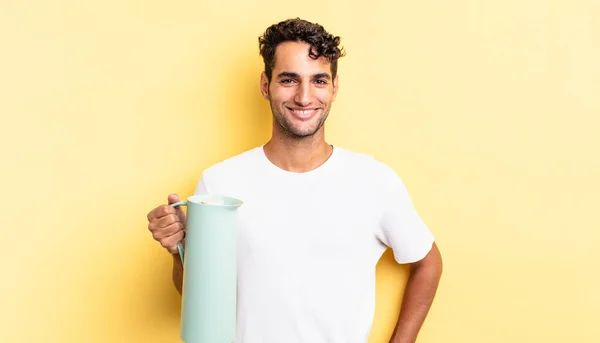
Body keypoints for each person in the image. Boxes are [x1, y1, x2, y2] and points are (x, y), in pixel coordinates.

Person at [146, 17, 443, 343]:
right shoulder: (220, 183)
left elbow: (428, 263)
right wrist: (178, 250)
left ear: (334, 87)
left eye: (318, 81)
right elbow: (200, 296)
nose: (304, 97)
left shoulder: (375, 181)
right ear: (265, 85)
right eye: (289, 80)